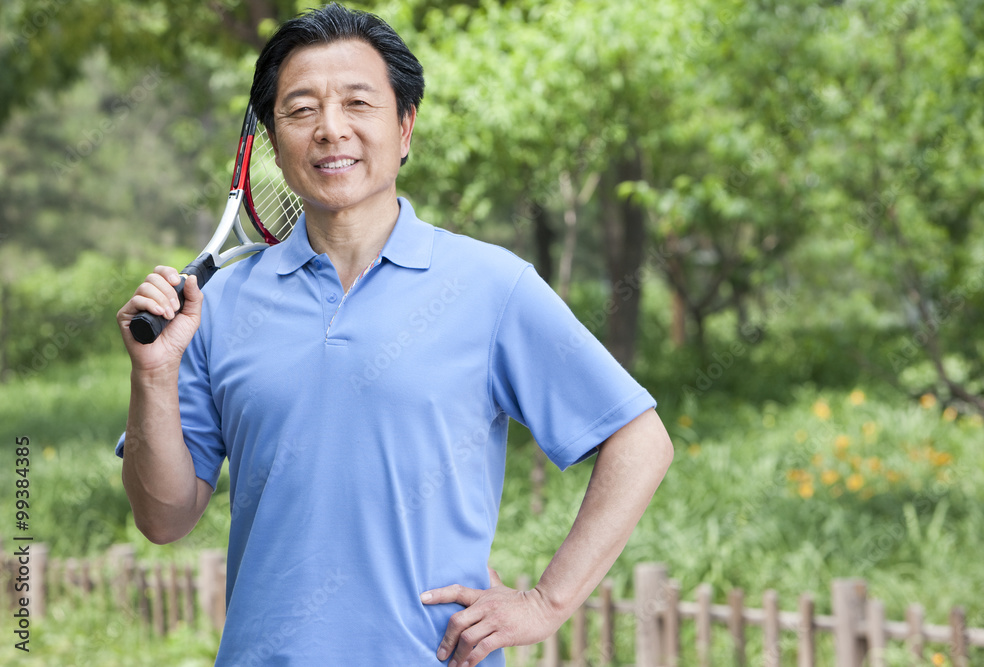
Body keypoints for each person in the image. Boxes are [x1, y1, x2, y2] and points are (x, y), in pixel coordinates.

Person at [115, 3, 672, 665]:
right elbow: (164, 517)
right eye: (300, 110)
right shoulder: (217, 306)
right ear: (272, 138)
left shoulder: (492, 284)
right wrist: (152, 375)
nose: (330, 129)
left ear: (404, 128)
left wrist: (546, 602)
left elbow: (640, 439)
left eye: (358, 103)